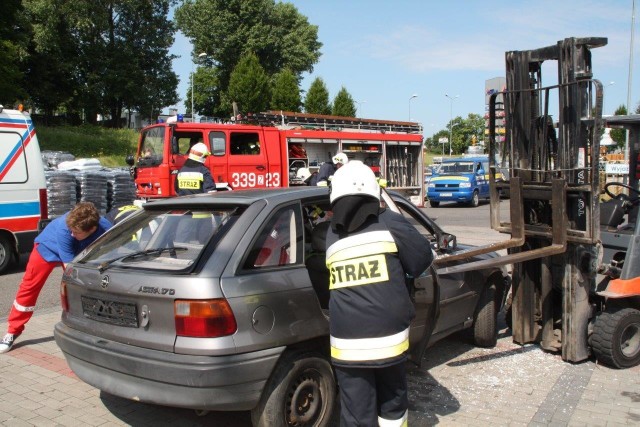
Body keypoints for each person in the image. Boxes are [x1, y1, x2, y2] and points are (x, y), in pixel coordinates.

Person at [325, 160, 434, 426]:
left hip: (346, 344)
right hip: (389, 340)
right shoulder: (389, 223)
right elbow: (422, 259)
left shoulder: (329, 234)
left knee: (355, 414)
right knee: (393, 404)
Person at [0, 202, 112, 353]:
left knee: (87, 288)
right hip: (47, 250)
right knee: (29, 288)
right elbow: (70, 270)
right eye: (71, 230)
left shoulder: (106, 228)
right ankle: (12, 331)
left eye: (76, 232)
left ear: (92, 229)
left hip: (80, 252)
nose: (72, 234)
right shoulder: (64, 229)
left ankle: (86, 326)